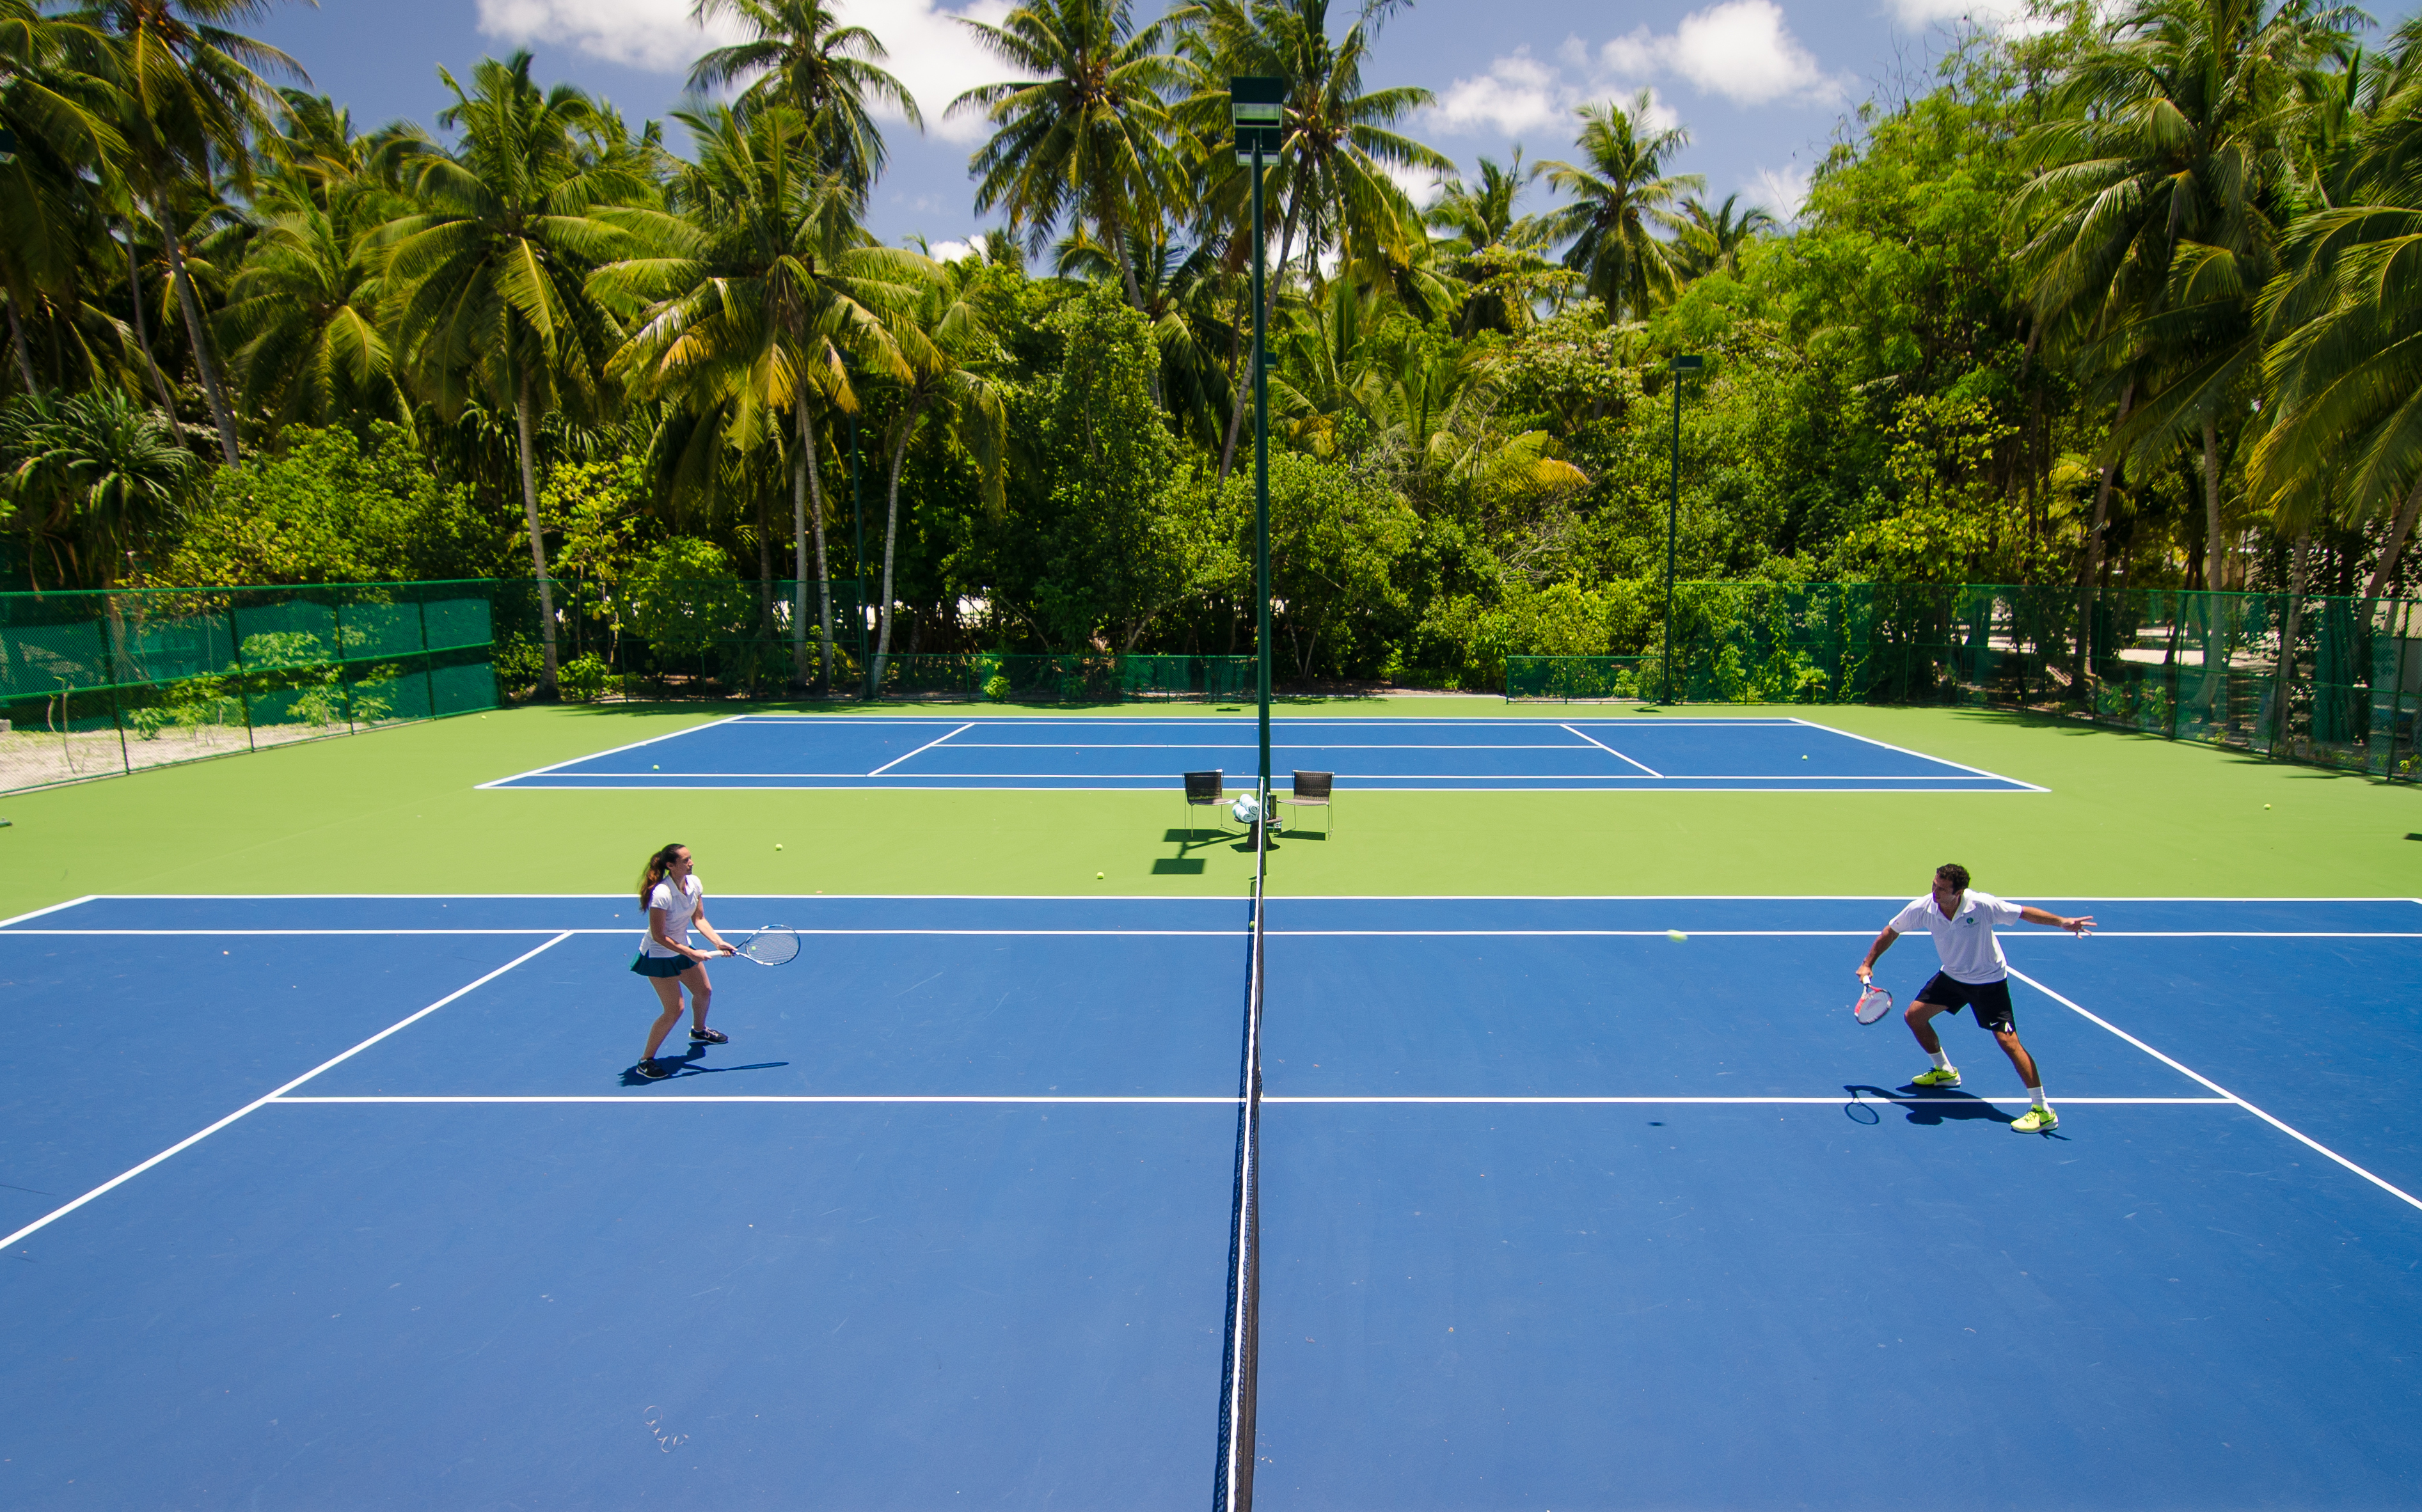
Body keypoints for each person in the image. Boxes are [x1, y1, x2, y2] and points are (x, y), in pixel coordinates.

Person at [1855, 863, 2094, 1133]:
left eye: (1942, 889)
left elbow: (2024, 913)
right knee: (1915, 1016)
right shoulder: (1924, 908)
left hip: (1988, 982)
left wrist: (2062, 922)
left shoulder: (1982, 905)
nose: (1935, 891)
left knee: (2008, 1042)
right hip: (1953, 977)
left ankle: (2043, 1110)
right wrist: (1868, 963)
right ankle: (1945, 1072)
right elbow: (1892, 931)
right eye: (1934, 884)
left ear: (1959, 892)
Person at [631, 842, 734, 1079]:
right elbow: (659, 935)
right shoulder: (662, 894)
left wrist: (718, 942)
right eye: (686, 860)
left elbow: (699, 919)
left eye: (691, 858)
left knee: (704, 991)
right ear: (670, 865)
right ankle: (645, 1061)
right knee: (674, 1009)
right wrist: (691, 953)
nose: (692, 863)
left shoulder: (694, 883)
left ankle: (698, 1031)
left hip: (682, 948)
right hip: (659, 955)